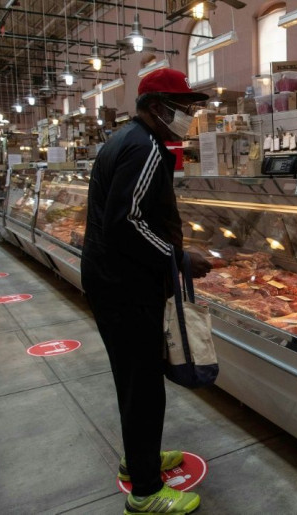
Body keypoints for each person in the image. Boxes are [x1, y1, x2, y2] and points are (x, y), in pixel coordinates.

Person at [81, 68, 212, 515]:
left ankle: (138, 460)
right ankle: (146, 491)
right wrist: (178, 259)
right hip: (124, 284)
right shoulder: (146, 147)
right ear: (158, 107)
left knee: (132, 379)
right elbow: (126, 222)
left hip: (111, 279)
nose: (189, 115)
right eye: (185, 107)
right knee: (142, 385)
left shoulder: (126, 139)